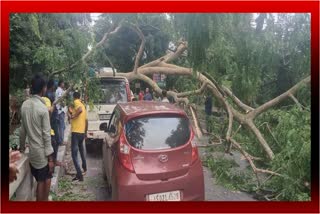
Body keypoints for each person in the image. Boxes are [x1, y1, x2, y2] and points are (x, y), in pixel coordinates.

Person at [20, 74, 54, 201]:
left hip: (32, 153)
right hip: (41, 154)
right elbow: (46, 135)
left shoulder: (24, 105)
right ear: (43, 89)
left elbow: (22, 131)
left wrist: (22, 148)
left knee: (40, 180)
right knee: (41, 181)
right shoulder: (43, 108)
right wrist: (50, 158)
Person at [68, 91, 87, 182]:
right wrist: (85, 132)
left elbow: (79, 110)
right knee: (81, 150)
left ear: (74, 97)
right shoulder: (83, 104)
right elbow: (86, 121)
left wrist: (72, 117)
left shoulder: (76, 103)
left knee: (74, 154)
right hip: (82, 132)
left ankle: (79, 174)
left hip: (76, 132)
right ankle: (84, 167)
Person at [55, 80, 66, 146]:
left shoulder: (59, 90)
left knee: (61, 126)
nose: (64, 84)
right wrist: (63, 105)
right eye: (63, 83)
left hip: (59, 110)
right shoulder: (59, 90)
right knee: (61, 126)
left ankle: (60, 140)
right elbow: (60, 98)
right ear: (61, 83)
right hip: (60, 110)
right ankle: (61, 141)